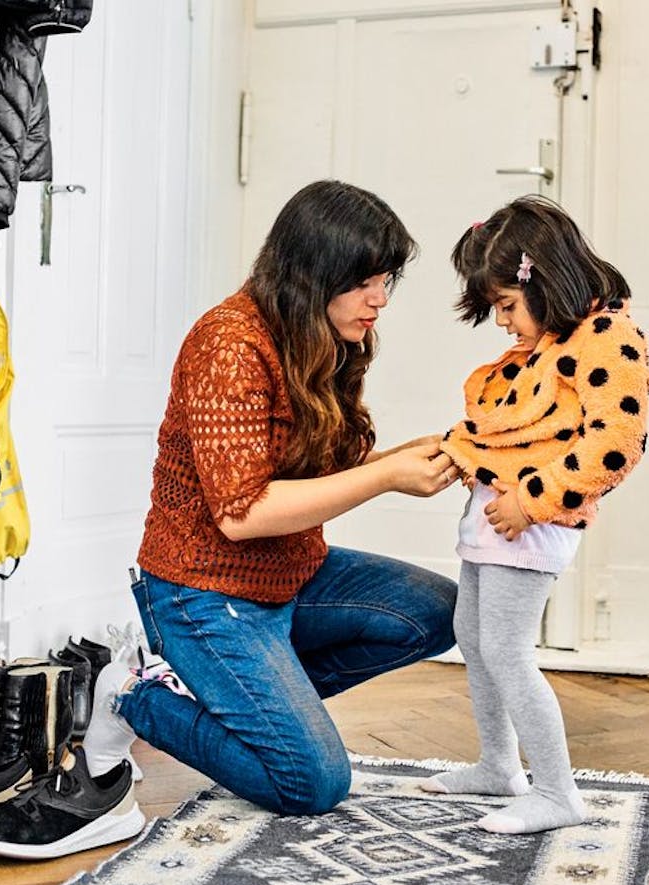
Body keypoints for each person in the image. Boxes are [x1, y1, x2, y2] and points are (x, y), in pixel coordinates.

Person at [77, 180, 463, 822]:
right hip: (202, 592)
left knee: (438, 610)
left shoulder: (324, 338)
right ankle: (133, 696)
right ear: (315, 272)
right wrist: (388, 477)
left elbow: (323, 473)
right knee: (312, 785)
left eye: (387, 279)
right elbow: (242, 515)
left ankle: (251, 708)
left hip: (288, 575)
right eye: (365, 281)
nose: (380, 299)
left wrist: (403, 456)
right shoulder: (228, 344)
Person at [419, 196, 649, 834]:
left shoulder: (608, 337)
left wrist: (533, 499)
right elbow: (512, 422)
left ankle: (558, 791)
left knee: (507, 648)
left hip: (532, 520)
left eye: (506, 307)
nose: (502, 324)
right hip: (498, 516)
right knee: (474, 635)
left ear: (543, 280)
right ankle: (500, 766)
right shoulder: (552, 341)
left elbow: (614, 444)